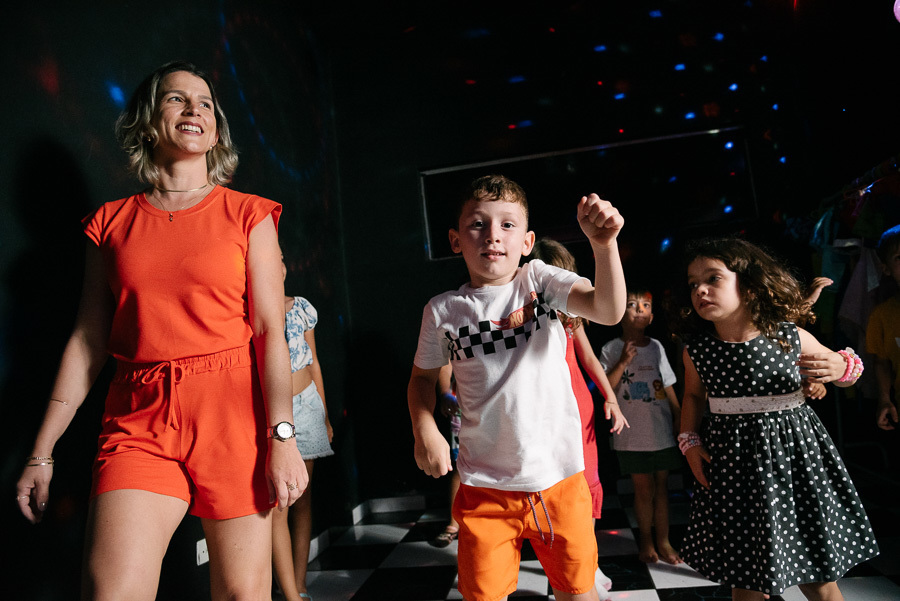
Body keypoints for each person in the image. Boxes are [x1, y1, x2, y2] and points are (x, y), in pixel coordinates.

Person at [14, 61, 306, 601]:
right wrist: (41, 451)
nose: (194, 108)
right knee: (111, 593)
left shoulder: (248, 214)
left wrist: (282, 437)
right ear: (149, 122)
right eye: (177, 99)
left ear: (215, 128)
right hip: (138, 416)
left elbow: (269, 329)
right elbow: (86, 342)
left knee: (244, 594)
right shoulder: (110, 223)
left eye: (205, 103)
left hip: (232, 413)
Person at [408, 174, 627, 601]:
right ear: (456, 239)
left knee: (578, 592)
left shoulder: (539, 283)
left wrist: (604, 245)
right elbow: (420, 379)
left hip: (559, 482)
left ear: (527, 242)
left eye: (507, 225)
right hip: (484, 489)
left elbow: (608, 309)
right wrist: (424, 430)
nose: (493, 235)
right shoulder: (442, 312)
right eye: (478, 224)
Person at [675, 237, 879, 601]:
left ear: (750, 288)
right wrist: (690, 441)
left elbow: (846, 373)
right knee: (746, 578)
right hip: (735, 470)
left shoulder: (788, 337)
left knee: (816, 577)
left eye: (713, 278)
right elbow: (692, 396)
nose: (700, 289)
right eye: (693, 284)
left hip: (793, 464)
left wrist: (840, 365)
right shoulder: (699, 350)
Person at [531, 238, 626, 598]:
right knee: (554, 488)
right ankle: (566, 569)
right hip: (543, 410)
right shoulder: (525, 314)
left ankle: (589, 564)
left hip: (578, 405)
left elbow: (588, 359)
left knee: (583, 485)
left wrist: (611, 398)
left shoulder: (572, 315)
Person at [599, 287, 682, 565]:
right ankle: (646, 542)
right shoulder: (610, 348)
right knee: (643, 490)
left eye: (645, 305)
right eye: (632, 305)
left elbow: (668, 386)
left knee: (662, 488)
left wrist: (680, 420)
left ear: (651, 315)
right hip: (631, 435)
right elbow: (605, 388)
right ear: (619, 313)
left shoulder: (657, 347)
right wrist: (623, 361)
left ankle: (664, 541)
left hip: (661, 431)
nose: (639, 310)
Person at [272, 260, 334, 601]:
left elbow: (314, 361)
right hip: (277, 415)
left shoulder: (302, 308)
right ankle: (288, 593)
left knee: (303, 501)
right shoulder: (247, 312)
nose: (277, 263)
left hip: (308, 405)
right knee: (278, 503)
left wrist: (324, 415)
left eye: (281, 257)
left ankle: (299, 585)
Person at [867, 224, 900, 430]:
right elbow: (881, 363)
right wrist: (885, 399)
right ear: (885, 268)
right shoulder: (882, 316)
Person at [430, 363, 462, 548]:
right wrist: (445, 393)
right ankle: (453, 523)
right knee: (460, 464)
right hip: (463, 402)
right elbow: (445, 360)